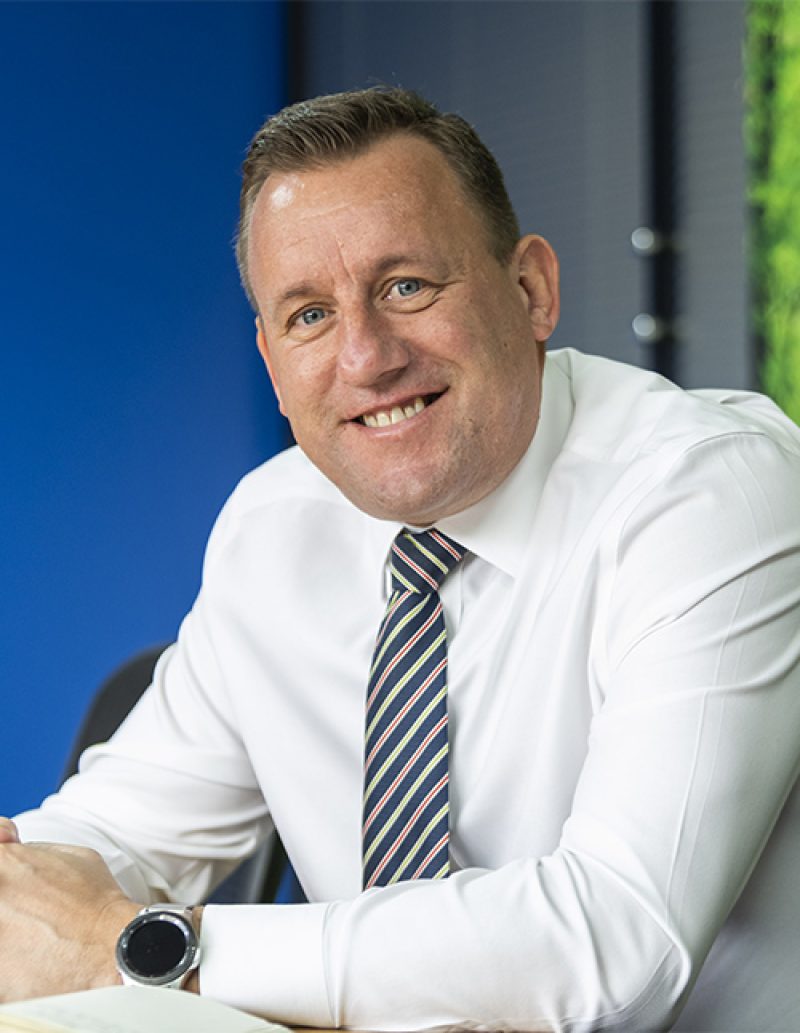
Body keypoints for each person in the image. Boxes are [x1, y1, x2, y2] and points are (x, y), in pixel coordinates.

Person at [2, 87, 800, 1031]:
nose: (366, 357)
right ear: (271, 360)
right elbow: (116, 832)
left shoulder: (712, 493)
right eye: (309, 315)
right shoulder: (274, 527)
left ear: (531, 289)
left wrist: (150, 949)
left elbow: (619, 944)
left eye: (406, 287)